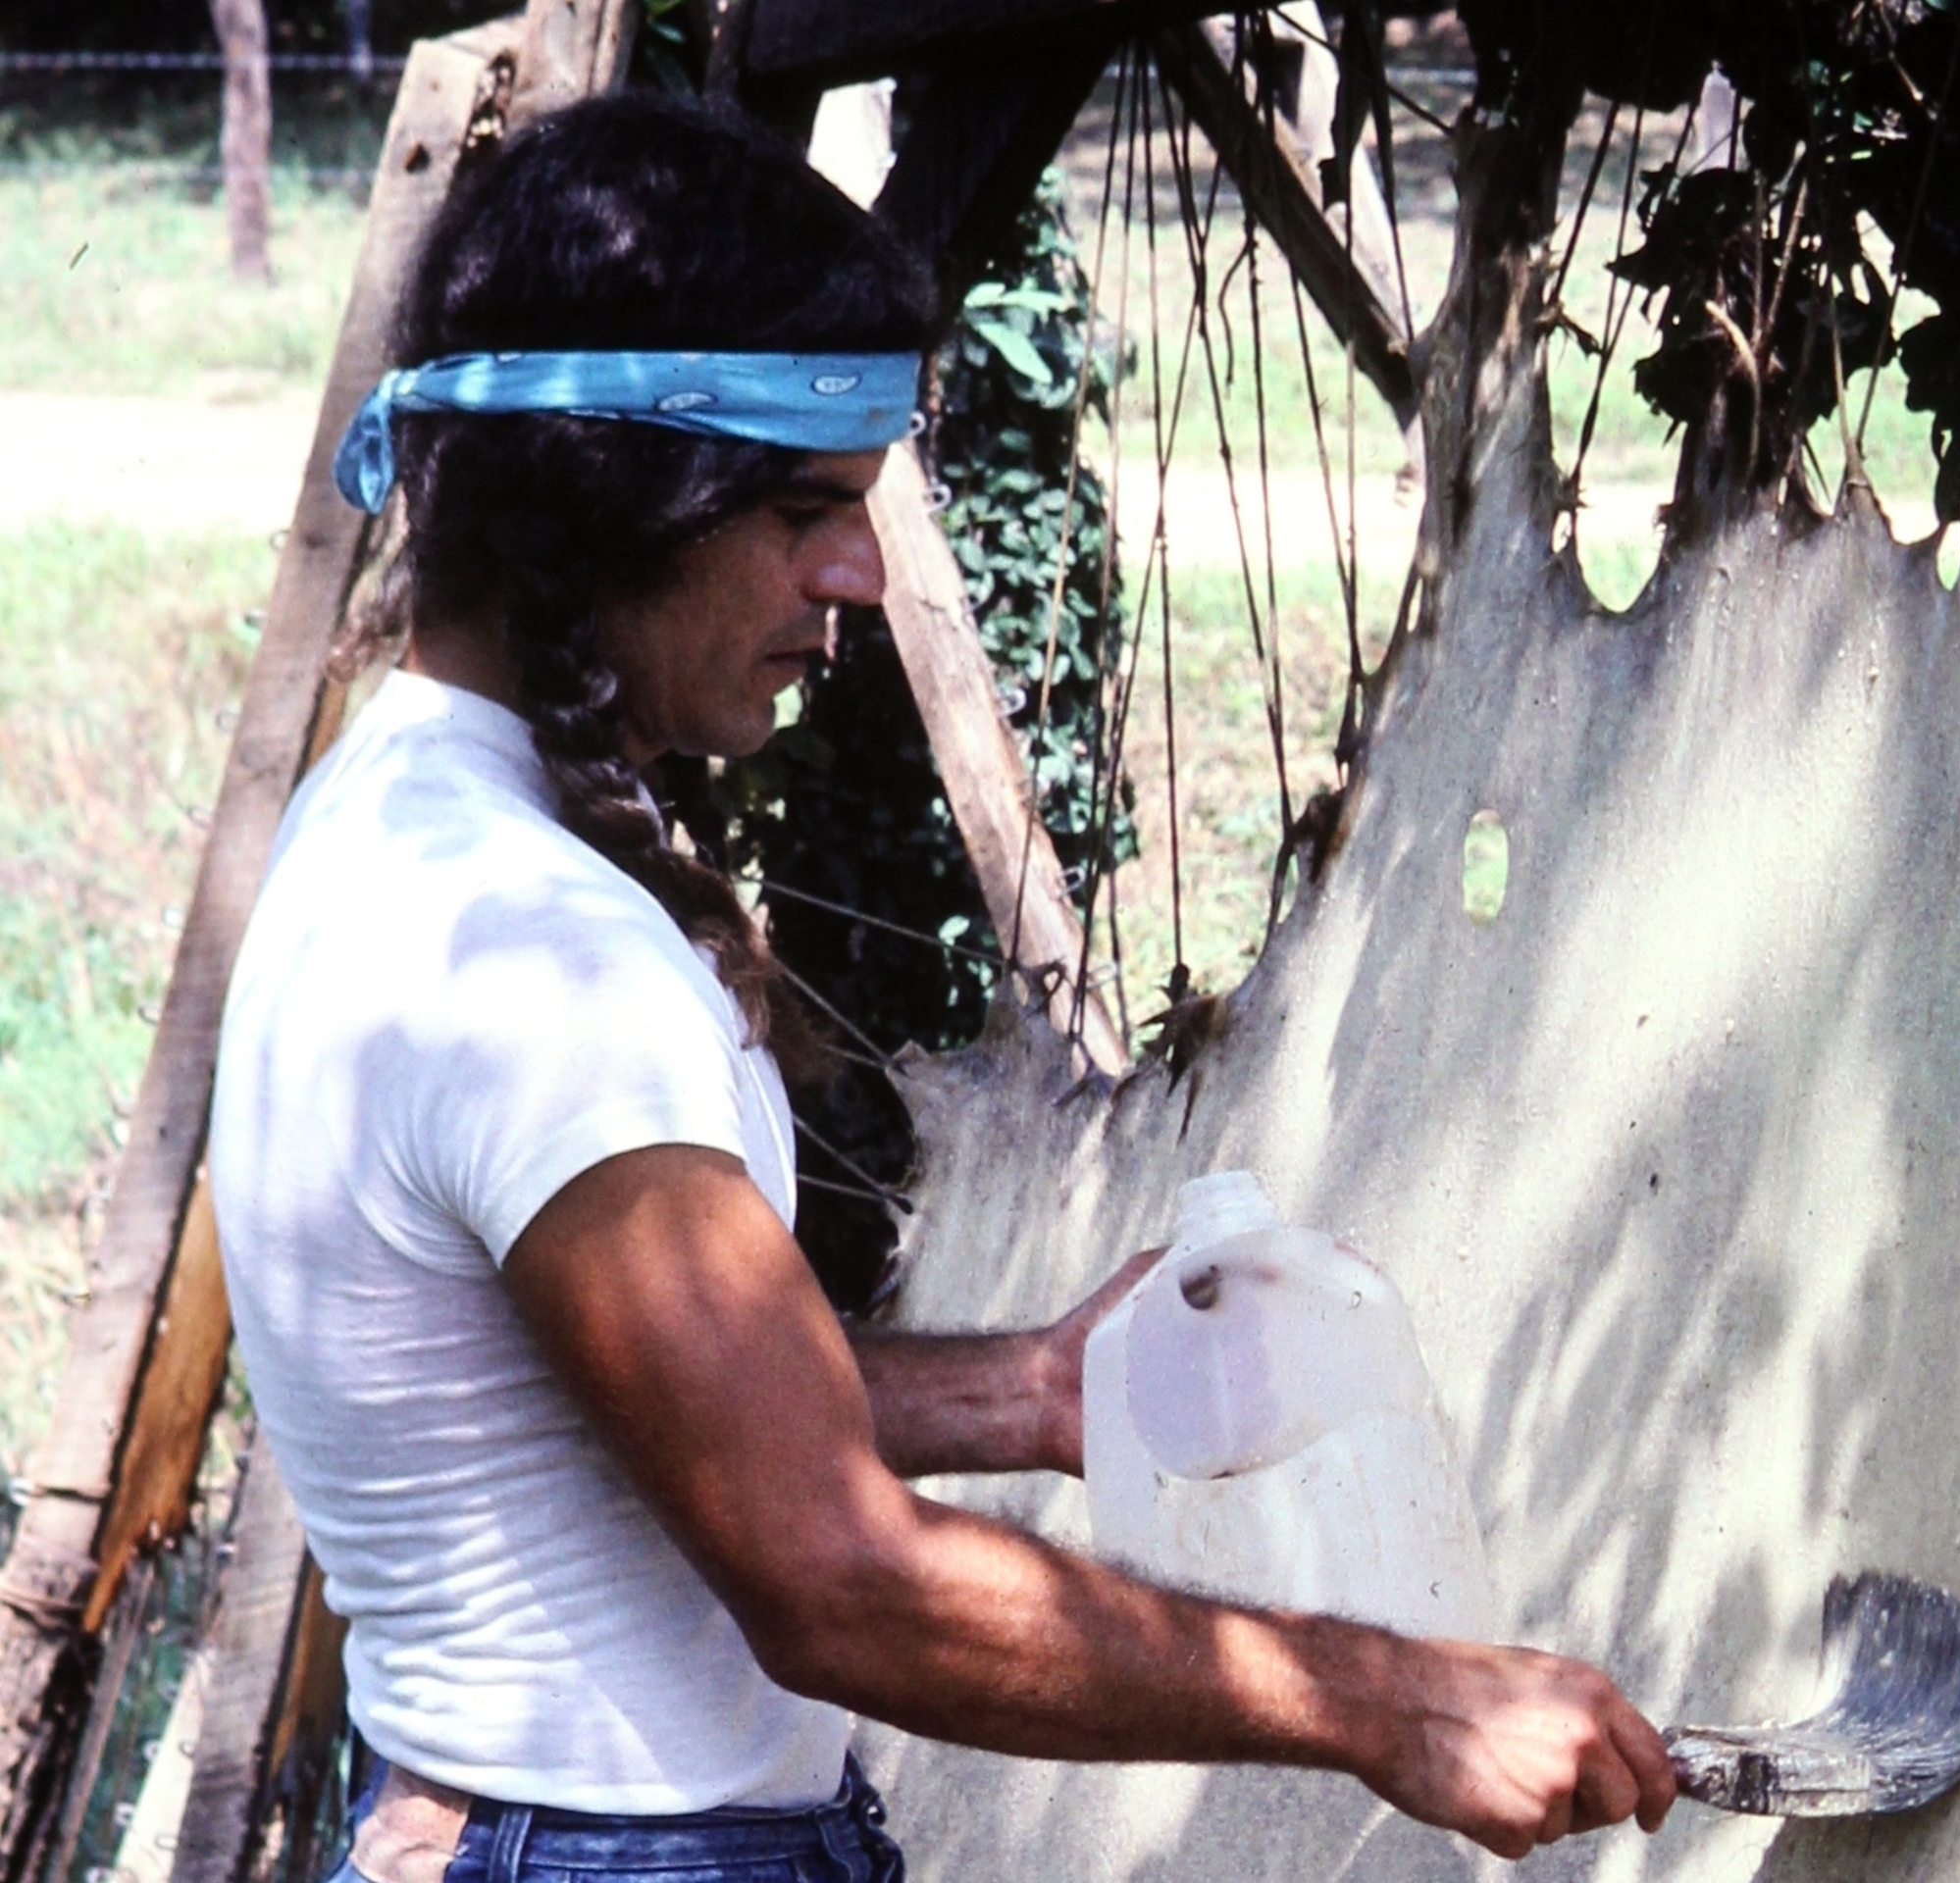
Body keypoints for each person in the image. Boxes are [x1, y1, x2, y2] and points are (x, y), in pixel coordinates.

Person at [208, 93, 1675, 1883]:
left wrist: (1038, 1391)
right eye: (807, 509)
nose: (860, 574)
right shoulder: (538, 962)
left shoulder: (402, 812)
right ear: (604, 501)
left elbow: (644, 1395)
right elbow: (836, 1581)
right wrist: (1385, 1701)